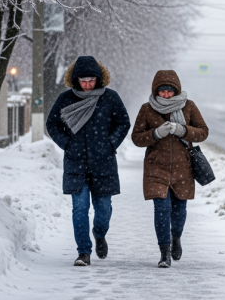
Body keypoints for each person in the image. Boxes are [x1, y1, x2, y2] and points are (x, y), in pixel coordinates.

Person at [46, 56, 131, 267]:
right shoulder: (66, 99)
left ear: (98, 79)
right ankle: (83, 252)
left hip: (104, 162)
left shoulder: (110, 98)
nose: (87, 84)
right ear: (75, 79)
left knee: (104, 209)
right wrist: (67, 143)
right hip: (76, 163)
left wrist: (110, 144)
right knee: (80, 208)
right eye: (83, 80)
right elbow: (52, 123)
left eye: (91, 80)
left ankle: (99, 233)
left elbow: (123, 122)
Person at [131, 70, 209, 268]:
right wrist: (156, 133)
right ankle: (164, 252)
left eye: (170, 91)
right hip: (156, 167)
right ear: (155, 91)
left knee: (179, 210)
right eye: (162, 91)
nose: (166, 95)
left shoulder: (189, 107)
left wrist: (183, 130)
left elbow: (203, 132)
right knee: (161, 209)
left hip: (183, 167)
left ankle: (176, 238)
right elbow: (137, 138)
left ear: (177, 91)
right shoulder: (147, 109)